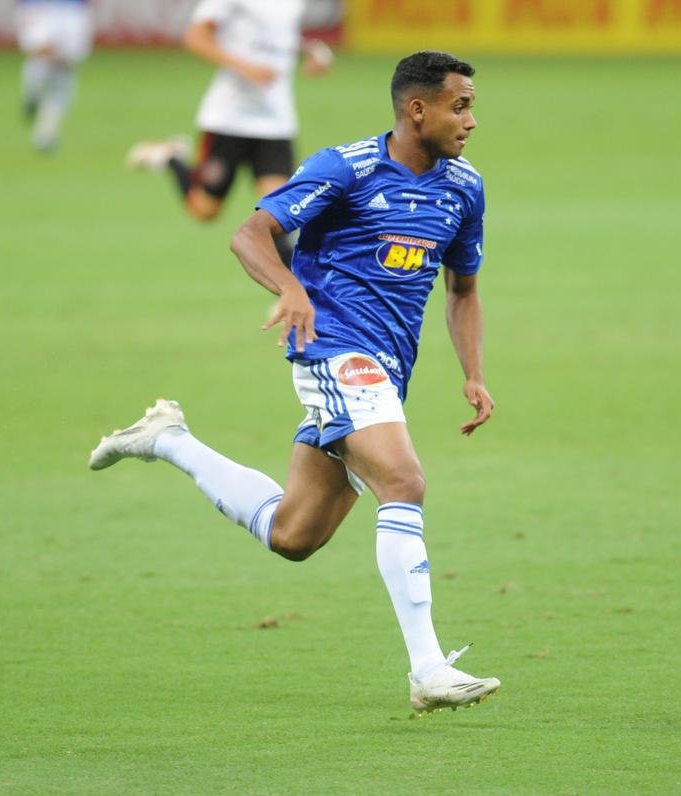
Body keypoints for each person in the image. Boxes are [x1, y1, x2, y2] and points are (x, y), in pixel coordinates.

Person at [91, 51, 499, 714]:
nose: (471, 120)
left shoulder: (464, 187)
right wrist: (290, 288)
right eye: (460, 106)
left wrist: (474, 373)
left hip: (387, 370)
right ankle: (428, 669)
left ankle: (167, 439)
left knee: (293, 535)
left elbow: (464, 290)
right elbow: (250, 233)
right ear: (417, 109)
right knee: (404, 482)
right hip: (332, 349)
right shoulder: (347, 168)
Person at [126, 0, 333, 266]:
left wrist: (313, 51)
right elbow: (195, 38)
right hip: (228, 120)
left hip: (276, 123)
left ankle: (294, 290)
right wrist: (244, 67)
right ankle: (169, 157)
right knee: (204, 210)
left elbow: (278, 37)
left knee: (282, 217)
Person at [16, 0, 93, 152]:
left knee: (66, 67)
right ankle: (33, 93)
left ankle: (47, 132)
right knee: (41, 56)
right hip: (39, 7)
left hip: (73, 9)